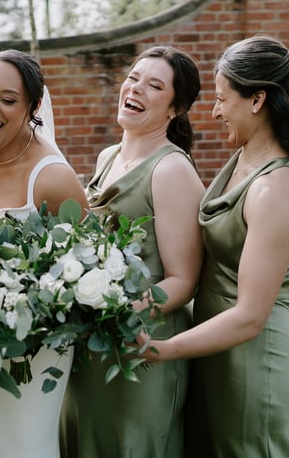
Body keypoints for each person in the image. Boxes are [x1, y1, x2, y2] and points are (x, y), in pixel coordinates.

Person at [138, 35, 289, 457]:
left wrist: (164, 349)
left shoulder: (277, 187)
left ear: (257, 100)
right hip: (215, 353)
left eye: (222, 99)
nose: (215, 111)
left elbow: (250, 316)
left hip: (256, 362)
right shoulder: (244, 160)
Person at [60, 45, 205, 457]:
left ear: (176, 109)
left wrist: (117, 316)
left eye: (154, 86)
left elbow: (183, 280)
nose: (136, 89)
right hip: (93, 339)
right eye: (133, 78)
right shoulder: (108, 156)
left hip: (141, 342)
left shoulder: (171, 169)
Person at [0, 49, 89, 458]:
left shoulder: (52, 177)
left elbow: (90, 260)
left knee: (25, 445)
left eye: (7, 100)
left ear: (33, 106)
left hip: (32, 354)